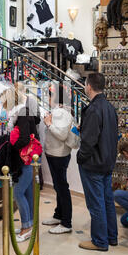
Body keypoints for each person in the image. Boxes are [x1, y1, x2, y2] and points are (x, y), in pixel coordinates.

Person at [77, 73, 118, 251]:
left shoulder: (94, 109)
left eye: (85, 85)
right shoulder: (109, 107)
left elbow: (89, 141)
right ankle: (111, 236)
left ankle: (100, 241)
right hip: (107, 161)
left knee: (96, 203)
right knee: (107, 200)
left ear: (89, 86)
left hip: (94, 163)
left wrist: (81, 157)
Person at [0, 86, 40, 242]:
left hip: (26, 158)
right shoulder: (22, 112)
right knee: (28, 192)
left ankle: (27, 227)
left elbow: (23, 139)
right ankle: (29, 224)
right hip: (28, 158)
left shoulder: (22, 115)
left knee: (18, 192)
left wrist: (12, 147)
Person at [42, 83, 74, 234]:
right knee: (58, 186)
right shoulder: (58, 111)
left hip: (59, 155)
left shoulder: (62, 112)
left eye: (50, 95)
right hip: (55, 154)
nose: (48, 98)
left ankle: (66, 222)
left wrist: (49, 124)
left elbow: (61, 135)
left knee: (62, 187)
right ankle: (59, 215)